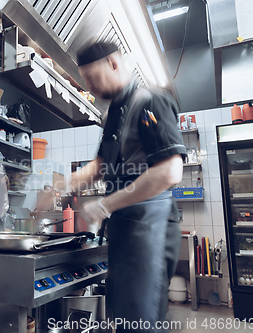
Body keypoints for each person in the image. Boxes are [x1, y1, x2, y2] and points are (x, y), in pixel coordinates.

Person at [67, 42, 185, 332]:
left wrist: (106, 205)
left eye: (91, 76)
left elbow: (170, 171)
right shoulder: (111, 115)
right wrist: (60, 185)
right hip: (124, 232)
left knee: (140, 322)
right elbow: (100, 165)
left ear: (113, 63)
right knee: (122, 317)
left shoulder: (151, 101)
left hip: (151, 230)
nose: (88, 85)